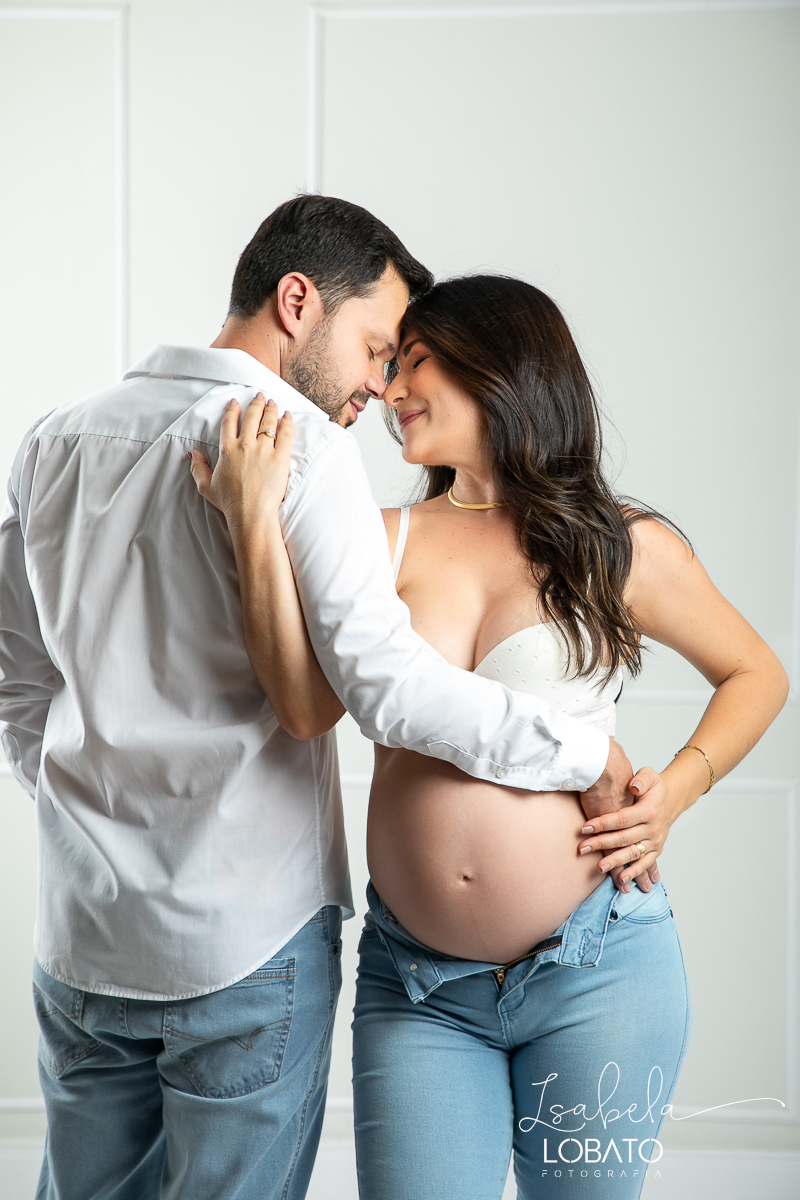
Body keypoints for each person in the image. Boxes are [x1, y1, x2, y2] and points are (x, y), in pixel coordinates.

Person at [0, 201, 633, 1200]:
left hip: (83, 936)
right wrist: (581, 755)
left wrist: (89, 823)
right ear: (297, 302)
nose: (379, 389)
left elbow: (21, 684)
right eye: (376, 348)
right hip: (244, 940)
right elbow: (380, 687)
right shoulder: (300, 445)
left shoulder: (54, 440)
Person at [191, 273, 788, 1200]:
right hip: (419, 987)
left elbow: (757, 673)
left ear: (501, 367)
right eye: (389, 366)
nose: (390, 392)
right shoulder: (377, 538)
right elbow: (306, 705)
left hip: (600, 969)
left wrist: (678, 787)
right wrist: (254, 528)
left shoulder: (617, 546)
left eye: (414, 363)